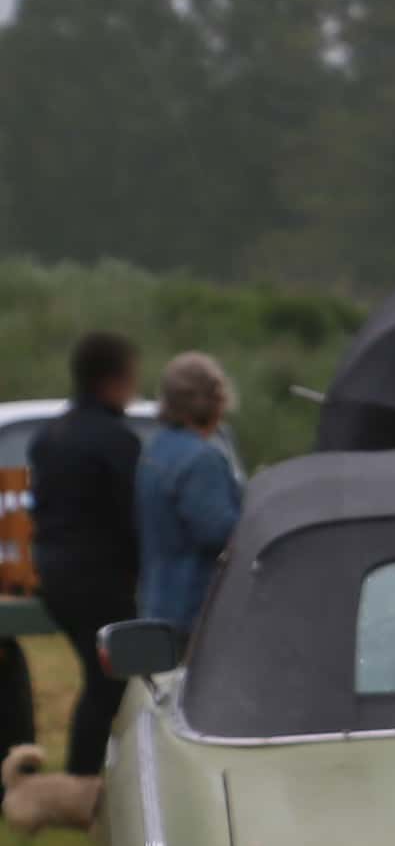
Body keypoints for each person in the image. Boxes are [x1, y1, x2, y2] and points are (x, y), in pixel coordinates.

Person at [28, 330, 142, 777]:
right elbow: (129, 518)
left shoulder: (50, 435)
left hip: (52, 573)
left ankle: (90, 773)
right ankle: (83, 779)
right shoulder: (116, 441)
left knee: (103, 679)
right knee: (110, 681)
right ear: (113, 381)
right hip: (99, 577)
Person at [134, 354, 244, 653]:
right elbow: (219, 532)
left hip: (158, 600)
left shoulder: (156, 449)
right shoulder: (202, 460)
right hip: (194, 609)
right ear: (217, 401)